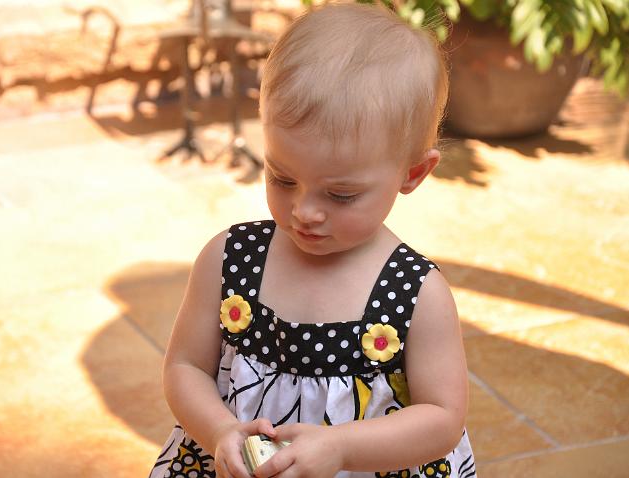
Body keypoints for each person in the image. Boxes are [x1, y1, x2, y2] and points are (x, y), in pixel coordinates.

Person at [149, 2, 475, 477]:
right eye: (282, 178)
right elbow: (185, 367)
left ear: (413, 173)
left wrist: (341, 448)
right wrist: (220, 430)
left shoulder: (417, 294)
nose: (304, 211)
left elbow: (442, 418)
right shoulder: (229, 260)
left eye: (341, 195)